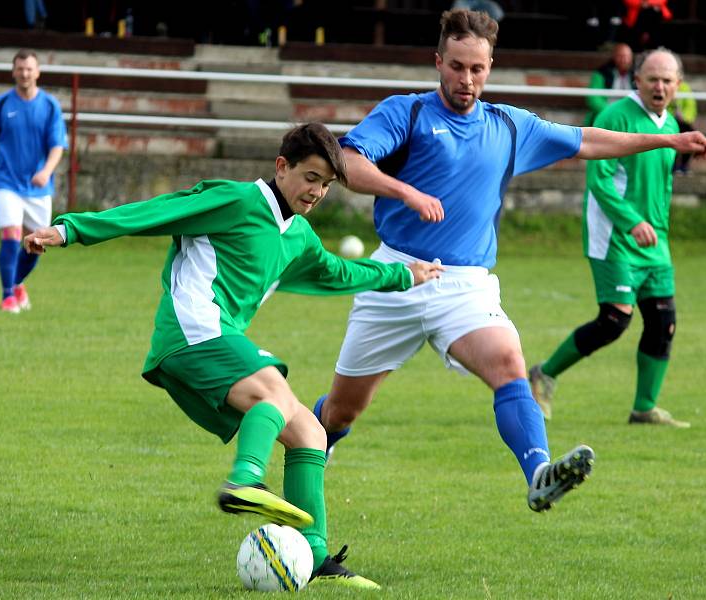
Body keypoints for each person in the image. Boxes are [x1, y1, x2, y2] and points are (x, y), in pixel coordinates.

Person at [312, 10, 706, 512]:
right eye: (457, 67)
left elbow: (586, 140)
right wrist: (405, 191)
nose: (467, 79)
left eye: (477, 69)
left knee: (508, 363)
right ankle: (299, 456)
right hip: (396, 274)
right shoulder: (406, 113)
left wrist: (668, 139)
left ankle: (539, 472)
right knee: (344, 411)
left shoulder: (508, 125)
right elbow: (346, 161)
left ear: (490, 66)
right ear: (439, 62)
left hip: (466, 284)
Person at [23, 123, 443, 590]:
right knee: (275, 389)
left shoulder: (298, 236)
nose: (316, 192)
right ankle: (245, 479)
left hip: (212, 343)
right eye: (310, 178)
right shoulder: (235, 201)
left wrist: (403, 276)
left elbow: (336, 271)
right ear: (281, 167)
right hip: (191, 333)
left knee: (308, 432)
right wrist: (71, 229)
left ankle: (317, 556)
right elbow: (156, 212)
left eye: (325, 185)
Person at [529, 48, 692, 429]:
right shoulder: (615, 117)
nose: (660, 86)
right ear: (637, 80)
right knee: (615, 320)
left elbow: (657, 184)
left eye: (667, 80)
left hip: (655, 242)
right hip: (615, 236)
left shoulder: (671, 125)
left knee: (662, 321)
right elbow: (599, 181)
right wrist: (632, 221)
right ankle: (544, 374)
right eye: (652, 78)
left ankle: (644, 408)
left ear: (678, 85)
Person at [0, 49, 67, 314]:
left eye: (29, 69)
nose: (25, 73)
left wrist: (46, 171)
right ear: (13, 71)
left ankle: (16, 282)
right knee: (11, 235)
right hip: (6, 182)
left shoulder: (50, 106)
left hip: (37, 187)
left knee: (36, 243)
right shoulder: (1, 105)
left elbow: (57, 146)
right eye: (20, 68)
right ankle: (7, 297)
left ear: (37, 72)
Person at [585, 42, 634, 126]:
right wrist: (612, 112)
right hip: (605, 114)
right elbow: (593, 99)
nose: (624, 60)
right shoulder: (601, 73)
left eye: (627, 56)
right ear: (614, 57)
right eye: (621, 56)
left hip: (631, 115)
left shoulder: (637, 74)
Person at [668, 80, 697, 173]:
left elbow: (691, 107)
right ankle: (673, 166)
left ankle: (684, 165)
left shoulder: (685, 88)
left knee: (690, 135)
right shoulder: (665, 86)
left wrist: (684, 117)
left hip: (682, 122)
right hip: (669, 121)